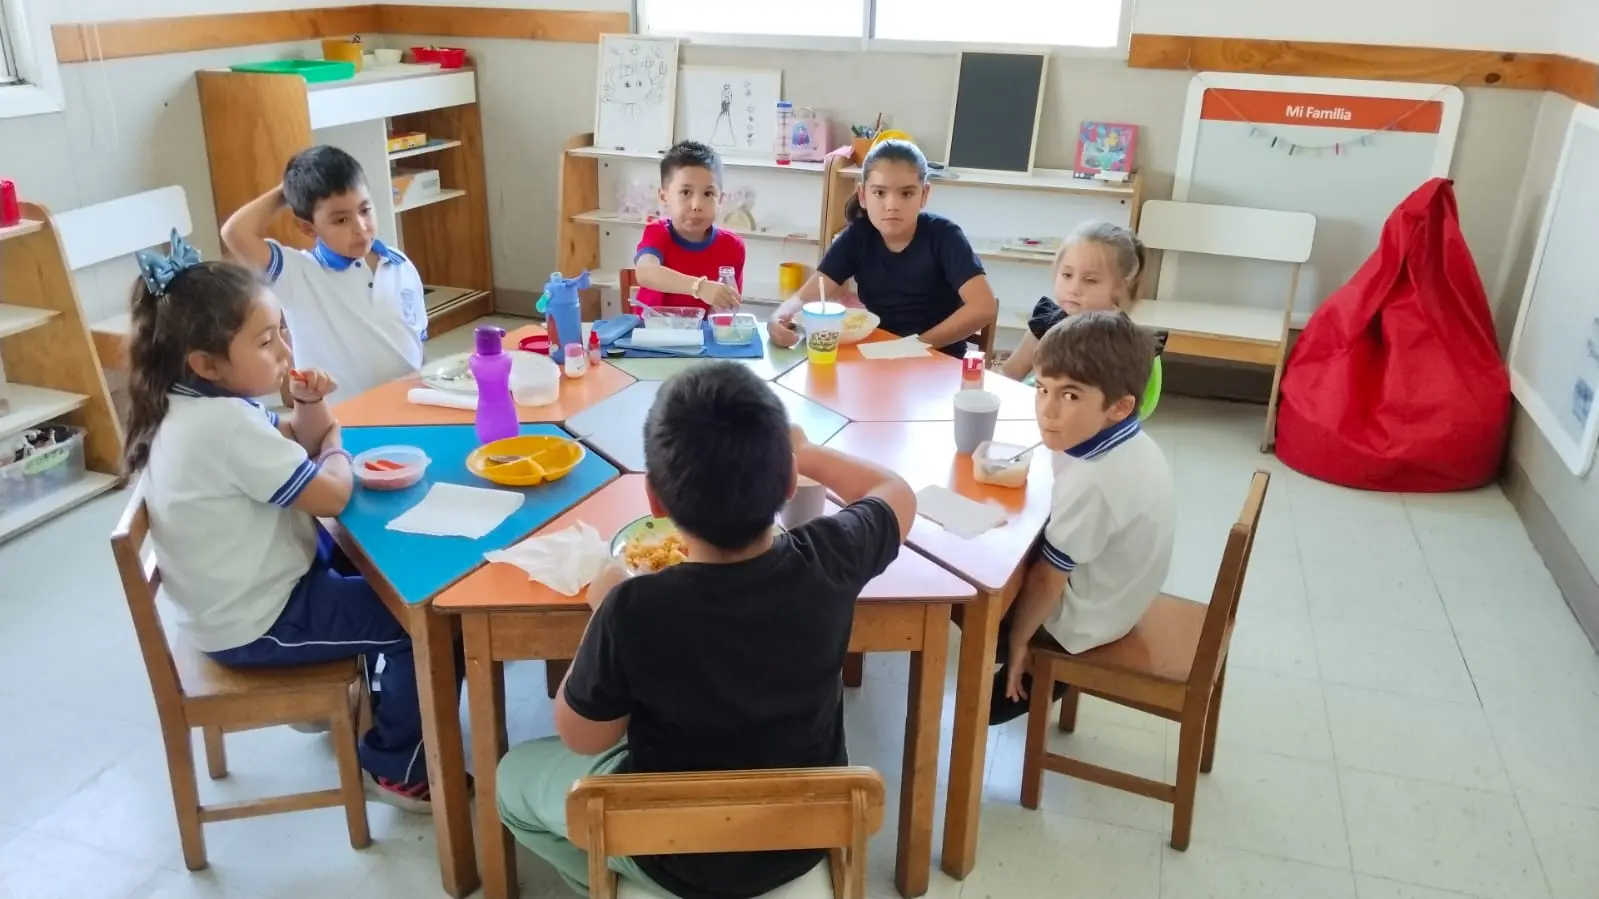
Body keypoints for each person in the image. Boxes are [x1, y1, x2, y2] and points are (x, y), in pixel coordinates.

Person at [496, 362, 917, 897]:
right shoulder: (829, 559)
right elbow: (896, 492)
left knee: (511, 782)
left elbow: (582, 737)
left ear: (655, 500)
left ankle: (637, 888)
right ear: (789, 483)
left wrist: (600, 611)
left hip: (673, 855)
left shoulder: (630, 609)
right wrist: (804, 451)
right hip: (805, 837)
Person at [124, 232, 439, 811]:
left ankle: (371, 702)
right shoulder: (223, 428)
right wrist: (335, 443)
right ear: (206, 363)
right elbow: (332, 495)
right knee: (416, 622)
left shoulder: (196, 405)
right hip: (262, 621)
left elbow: (295, 438)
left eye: (283, 332)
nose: (286, 352)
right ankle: (398, 767)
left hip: (241, 599)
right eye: (267, 342)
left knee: (386, 573)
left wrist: (311, 406)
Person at [988, 311, 1176, 725]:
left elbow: (1047, 580)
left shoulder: (1095, 480)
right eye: (1042, 389)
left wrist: (1019, 642)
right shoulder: (1128, 442)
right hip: (1120, 596)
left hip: (1082, 623)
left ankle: (1026, 675)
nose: (1048, 411)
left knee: (972, 584)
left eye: (1070, 396)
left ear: (1120, 406)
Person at [221, 145, 427, 404]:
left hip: (409, 404)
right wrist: (287, 190)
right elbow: (235, 233)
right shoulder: (298, 274)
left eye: (364, 210)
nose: (360, 228)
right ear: (308, 228)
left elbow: (418, 340)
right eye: (341, 220)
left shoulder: (400, 264)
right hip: (344, 418)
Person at [766, 139, 998, 357]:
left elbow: (983, 307)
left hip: (938, 360)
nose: (892, 205)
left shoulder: (944, 236)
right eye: (879, 193)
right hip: (879, 354)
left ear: (924, 194)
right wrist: (777, 318)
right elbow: (805, 297)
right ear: (862, 195)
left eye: (907, 193)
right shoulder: (857, 237)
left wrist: (913, 347)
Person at [997, 222, 1166, 417]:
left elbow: (1118, 413)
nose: (1073, 288)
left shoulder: (1123, 342)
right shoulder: (1046, 323)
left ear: (1121, 285)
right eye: (1067, 275)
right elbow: (1008, 375)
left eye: (1090, 280)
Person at [632, 140, 746, 313]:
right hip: (653, 328)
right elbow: (645, 272)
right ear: (664, 197)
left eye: (708, 193)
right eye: (685, 192)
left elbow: (727, 310)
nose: (697, 205)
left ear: (720, 200)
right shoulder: (658, 232)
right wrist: (700, 287)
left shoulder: (733, 246)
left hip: (704, 330)